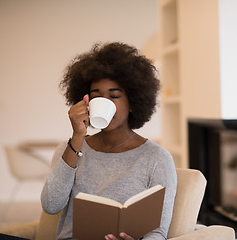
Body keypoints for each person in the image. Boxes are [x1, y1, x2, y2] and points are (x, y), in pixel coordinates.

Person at [41, 42, 177, 240]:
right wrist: (78, 136)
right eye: (96, 97)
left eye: (114, 96)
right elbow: (51, 205)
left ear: (133, 102)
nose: (105, 103)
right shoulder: (70, 148)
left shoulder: (157, 158)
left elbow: (158, 231)